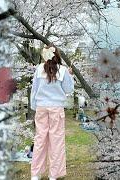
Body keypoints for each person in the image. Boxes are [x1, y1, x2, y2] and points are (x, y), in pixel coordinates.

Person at [30, 45, 74, 180]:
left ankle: (35, 174)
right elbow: (68, 90)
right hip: (56, 108)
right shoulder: (63, 70)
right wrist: (71, 76)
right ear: (57, 55)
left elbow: (34, 90)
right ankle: (53, 175)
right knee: (56, 141)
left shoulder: (38, 69)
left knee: (40, 140)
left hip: (41, 108)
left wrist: (34, 106)